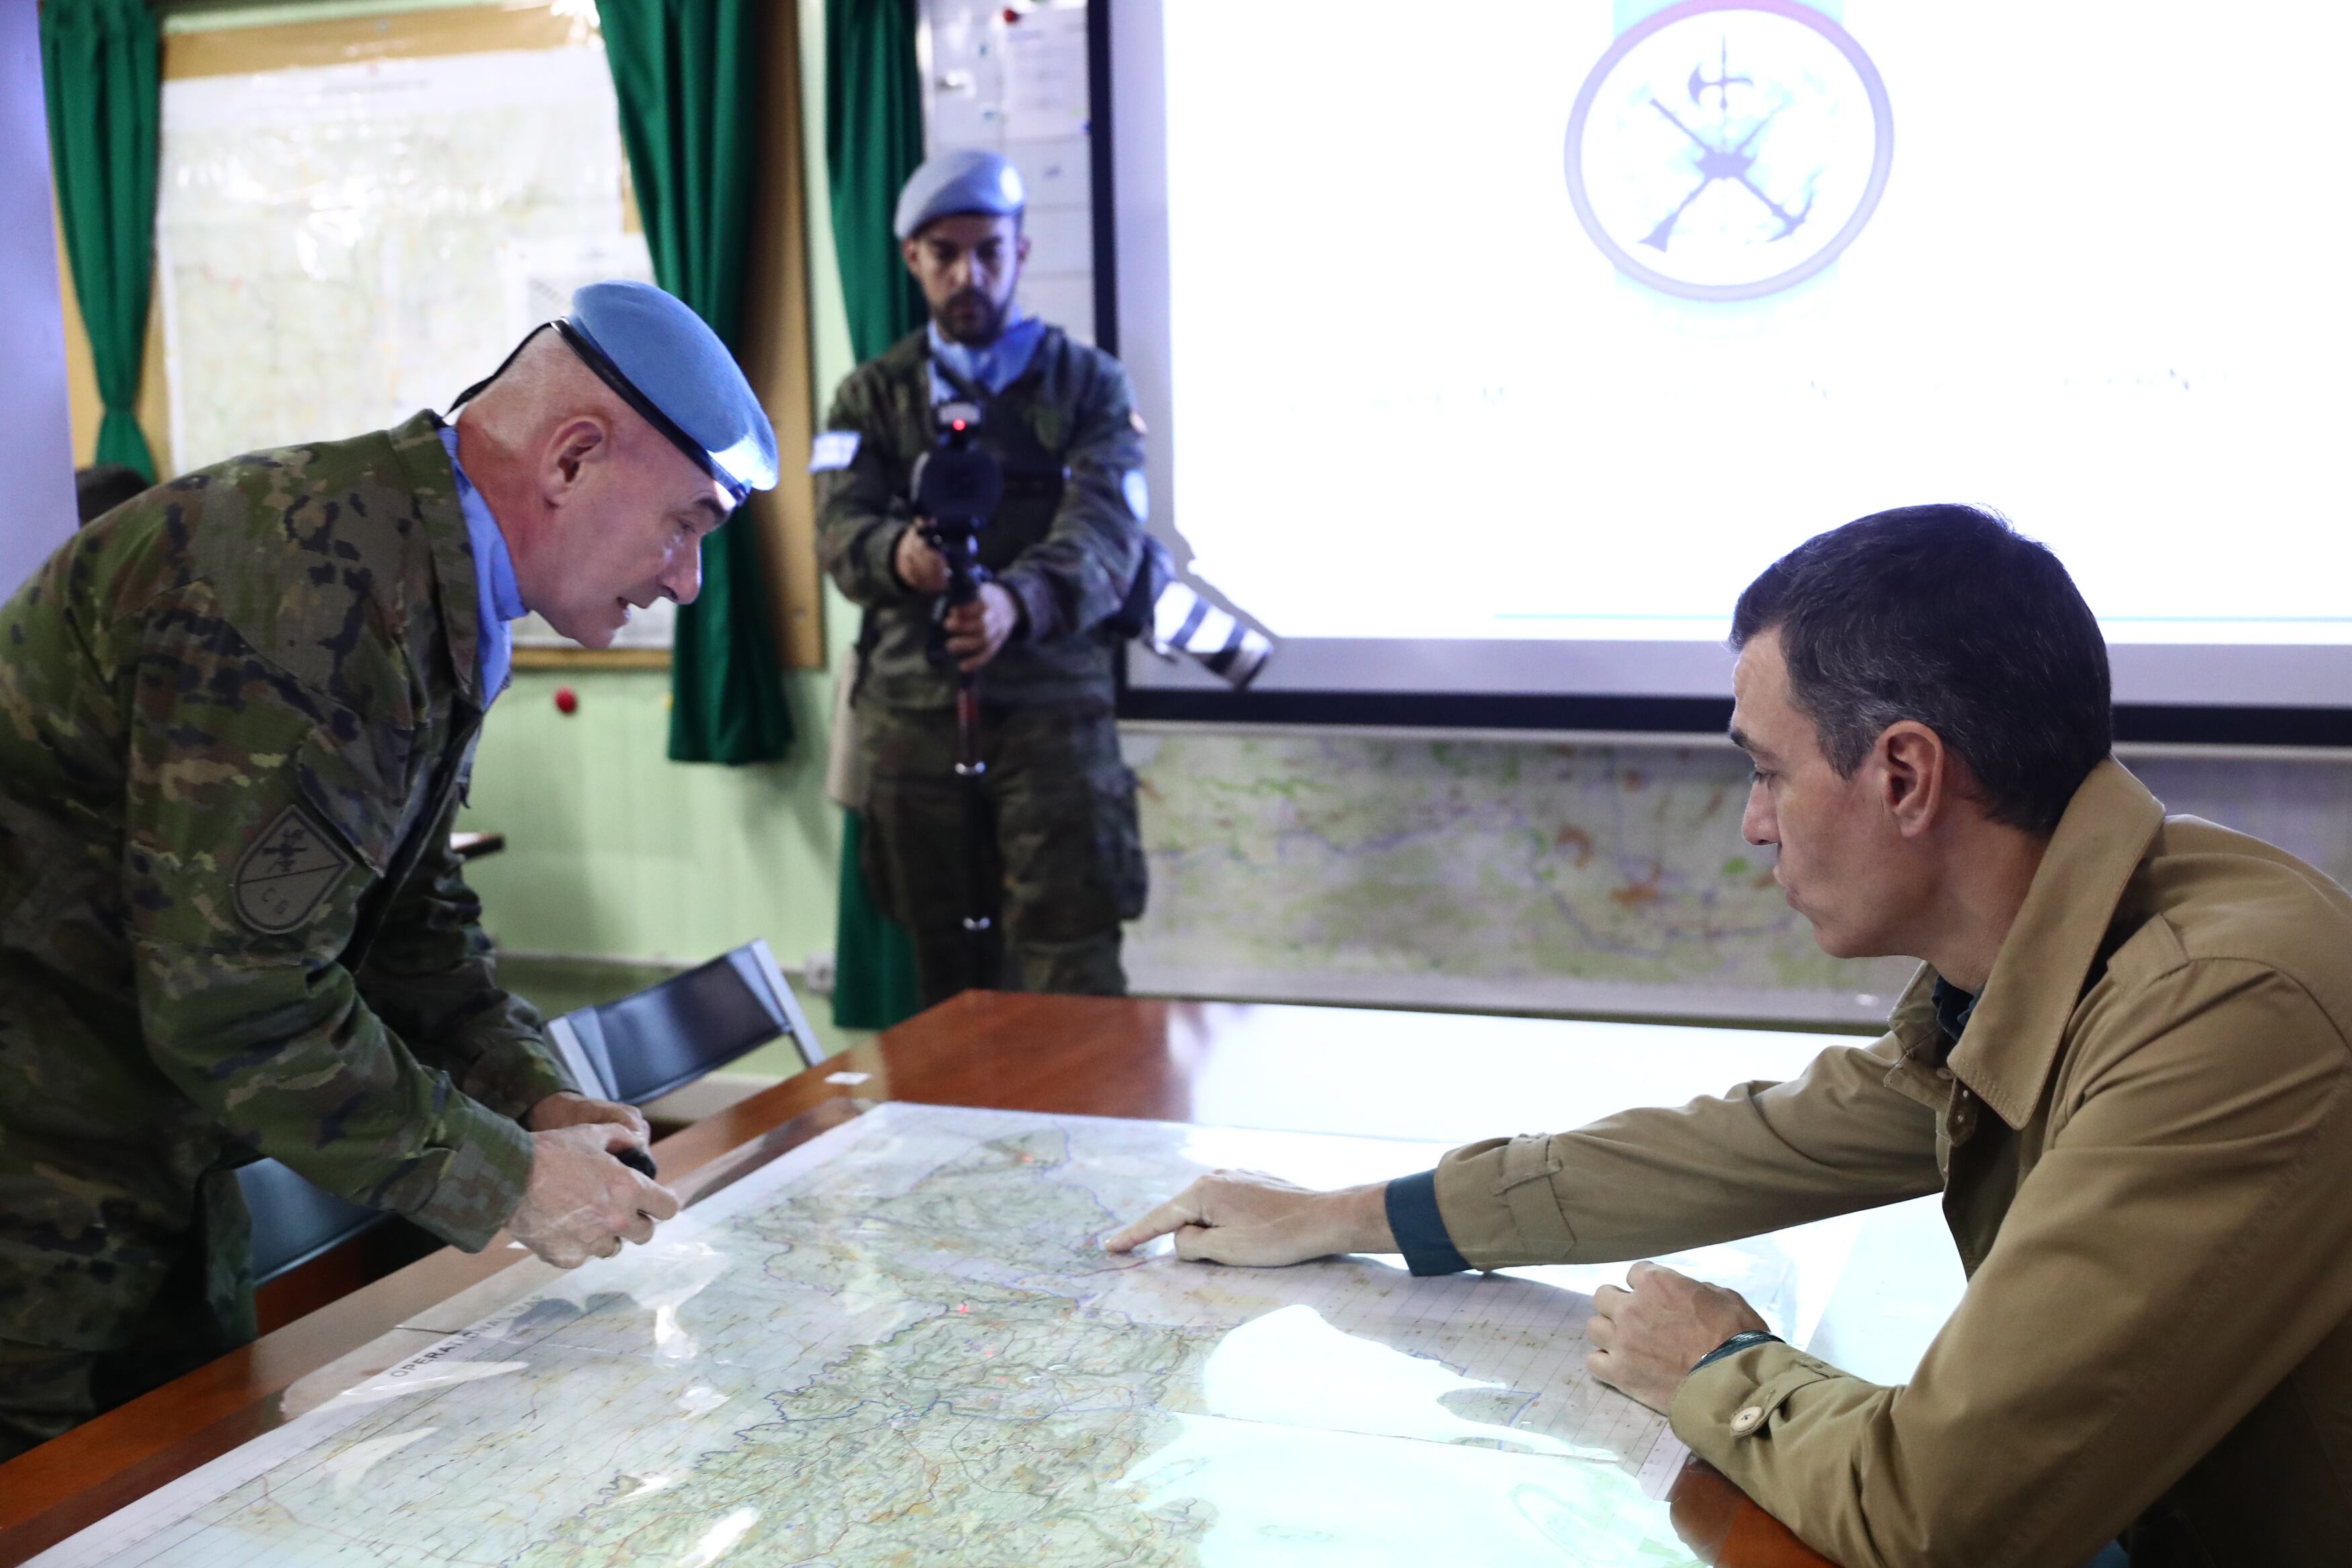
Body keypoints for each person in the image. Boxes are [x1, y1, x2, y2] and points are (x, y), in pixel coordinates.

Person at [1106, 505, 2352, 1568]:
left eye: (1766, 771)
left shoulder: (2219, 1009)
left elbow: (1945, 1509)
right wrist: (1340, 1214)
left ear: (1905, 776)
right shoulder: (2069, 941)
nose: (1752, 826)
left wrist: (1719, 1362)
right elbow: (1751, 1143)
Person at [0, 280, 775, 1461]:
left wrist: (529, 1092)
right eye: (685, 525)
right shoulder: (301, 598)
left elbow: (405, 913)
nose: (686, 581)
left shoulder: (429, 576)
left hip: (146, 1145)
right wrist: (510, 1177)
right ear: (570, 459)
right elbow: (235, 1002)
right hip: (35, 1170)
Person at [815, 148, 1150, 1008]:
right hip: (914, 729)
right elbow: (838, 525)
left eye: (990, 251)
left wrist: (1016, 600)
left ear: (1022, 252)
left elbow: (1110, 526)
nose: (971, 275)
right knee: (944, 992)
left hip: (1053, 727)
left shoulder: (1087, 385)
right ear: (911, 259)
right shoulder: (867, 398)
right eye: (946, 253)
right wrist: (902, 555)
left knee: (1072, 975)